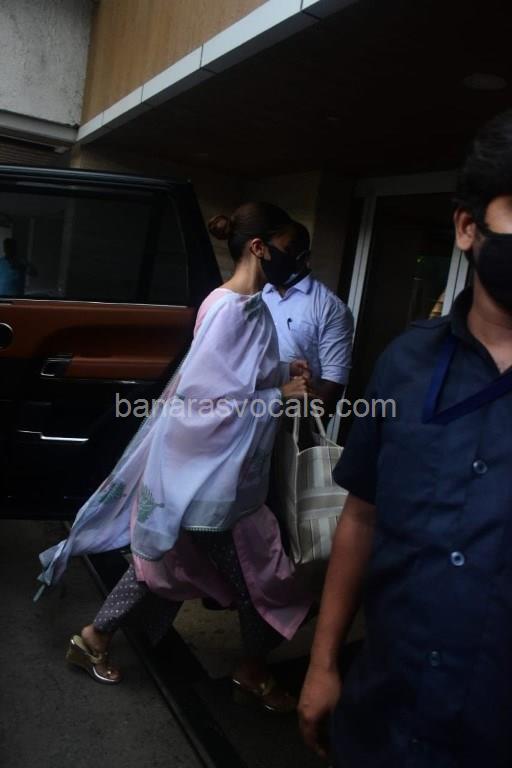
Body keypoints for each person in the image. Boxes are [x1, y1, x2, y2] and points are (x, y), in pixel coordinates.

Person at [37, 201, 314, 712]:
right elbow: (201, 403)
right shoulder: (231, 310)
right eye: (293, 249)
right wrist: (279, 395)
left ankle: (95, 637)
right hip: (214, 484)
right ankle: (252, 669)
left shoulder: (249, 305)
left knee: (166, 564)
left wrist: (282, 371)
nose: (300, 261)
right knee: (262, 577)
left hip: (221, 477)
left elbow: (236, 375)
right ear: (259, 247)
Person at [298, 110, 512, 766]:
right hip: (383, 714)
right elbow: (361, 517)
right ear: (468, 227)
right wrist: (323, 662)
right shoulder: (404, 364)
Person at [262, 220, 353, 415]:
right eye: (269, 250)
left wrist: (305, 424)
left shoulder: (329, 308)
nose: (270, 257)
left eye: (280, 251)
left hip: (292, 418)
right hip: (250, 410)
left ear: (303, 257)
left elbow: (333, 384)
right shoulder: (258, 294)